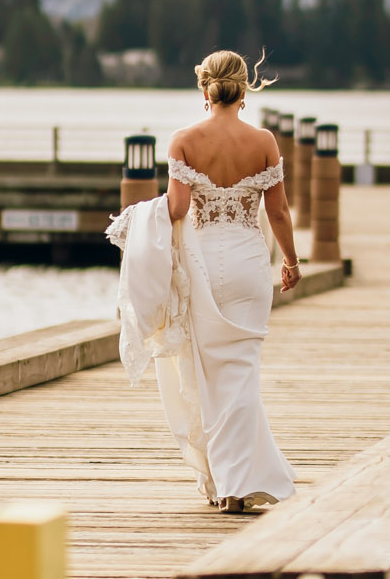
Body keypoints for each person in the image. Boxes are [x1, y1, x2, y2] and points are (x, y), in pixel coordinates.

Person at [107, 49, 298, 512]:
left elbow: (174, 210)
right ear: (244, 87)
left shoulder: (184, 140)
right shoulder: (265, 141)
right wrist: (291, 260)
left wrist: (136, 218)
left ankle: (230, 484)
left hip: (205, 263)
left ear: (204, 87)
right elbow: (277, 211)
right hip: (250, 263)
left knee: (208, 373)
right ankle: (238, 481)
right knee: (243, 371)